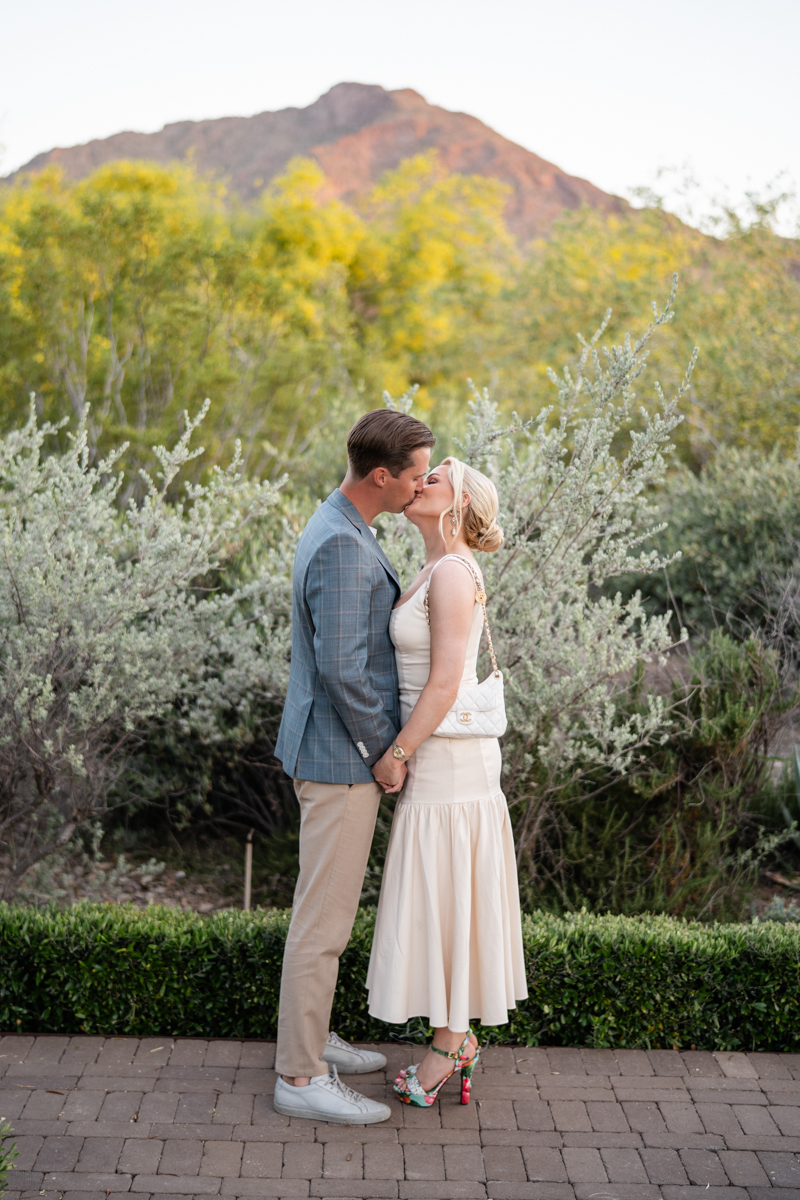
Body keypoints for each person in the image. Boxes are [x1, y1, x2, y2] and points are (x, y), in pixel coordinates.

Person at [272, 408, 435, 1124]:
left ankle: (314, 1041)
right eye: (415, 474)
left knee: (323, 914)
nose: (422, 485)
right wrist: (386, 754)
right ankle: (300, 1079)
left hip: (333, 752)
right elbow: (343, 668)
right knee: (323, 924)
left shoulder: (341, 520)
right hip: (341, 760)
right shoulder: (342, 543)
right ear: (381, 476)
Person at [366, 456, 528, 1107]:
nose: (418, 481)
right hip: (437, 756)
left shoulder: (456, 571)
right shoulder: (432, 568)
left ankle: (450, 1043)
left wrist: (397, 752)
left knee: (449, 895)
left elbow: (443, 683)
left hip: (449, 762)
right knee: (439, 893)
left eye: (434, 478)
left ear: (456, 504)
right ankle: (451, 1036)